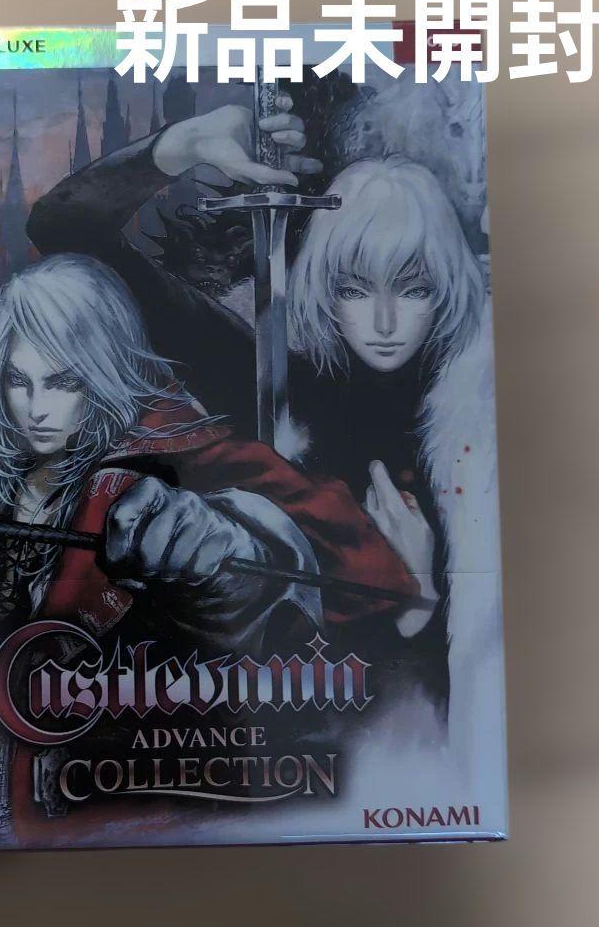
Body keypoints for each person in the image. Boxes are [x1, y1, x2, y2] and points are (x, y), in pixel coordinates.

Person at [0, 253, 417, 847]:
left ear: (104, 372)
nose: (36, 408)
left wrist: (223, 541)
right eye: (19, 381)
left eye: (64, 382)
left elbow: (329, 554)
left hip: (104, 812)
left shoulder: (175, 463)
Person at [26, 97, 498, 736]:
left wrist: (416, 606)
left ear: (448, 287)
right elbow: (64, 228)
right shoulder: (264, 376)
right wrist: (185, 146)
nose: (385, 322)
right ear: (323, 286)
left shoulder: (475, 415)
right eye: (354, 288)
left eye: (413, 288)